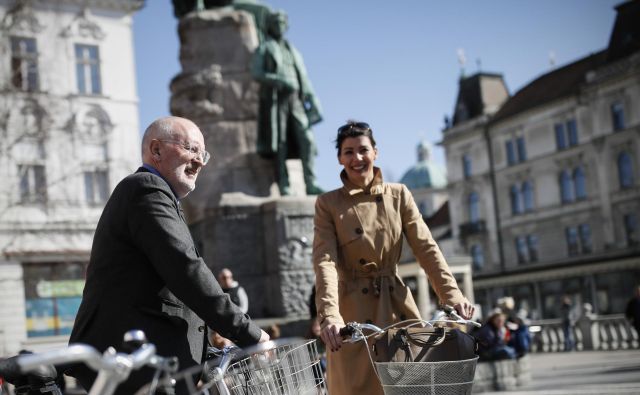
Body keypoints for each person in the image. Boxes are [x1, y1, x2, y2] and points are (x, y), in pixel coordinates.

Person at [67, 116, 269, 395]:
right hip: (134, 363)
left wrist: (207, 349)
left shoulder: (158, 196)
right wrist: (248, 333)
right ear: (157, 150)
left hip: (149, 362)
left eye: (203, 153)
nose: (199, 161)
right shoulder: (146, 189)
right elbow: (184, 268)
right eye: (191, 149)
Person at [312, 121, 475, 395]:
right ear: (340, 158)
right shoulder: (328, 204)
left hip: (396, 306)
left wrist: (452, 295)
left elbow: (427, 248)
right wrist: (331, 316)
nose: (357, 158)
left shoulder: (398, 195)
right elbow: (324, 262)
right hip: (352, 317)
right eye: (348, 152)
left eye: (363, 150)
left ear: (375, 152)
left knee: (413, 386)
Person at [251, 9, 323, 196]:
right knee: (281, 142)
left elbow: (304, 78)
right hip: (277, 99)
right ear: (270, 26)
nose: (280, 26)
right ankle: (284, 183)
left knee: (306, 140)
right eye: (276, 23)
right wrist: (278, 80)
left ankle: (311, 182)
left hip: (297, 99)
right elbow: (257, 73)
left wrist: (312, 98)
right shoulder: (265, 48)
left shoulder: (293, 51)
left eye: (283, 23)